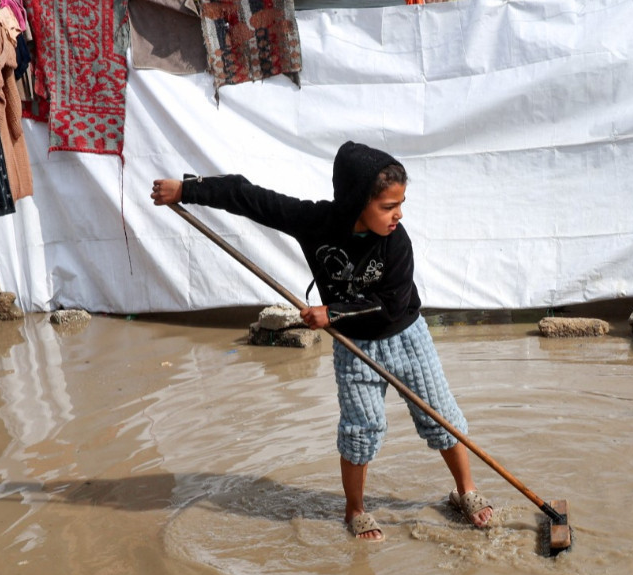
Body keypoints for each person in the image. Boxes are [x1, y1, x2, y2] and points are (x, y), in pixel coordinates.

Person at [150, 141, 493, 541]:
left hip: (405, 336)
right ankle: (355, 510)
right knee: (361, 428)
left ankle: (465, 491)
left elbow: (392, 302)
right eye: (387, 206)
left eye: (401, 204)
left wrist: (332, 313)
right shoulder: (317, 222)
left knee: (440, 415)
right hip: (354, 349)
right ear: (356, 201)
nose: (398, 214)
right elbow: (249, 197)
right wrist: (187, 190)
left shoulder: (397, 242)